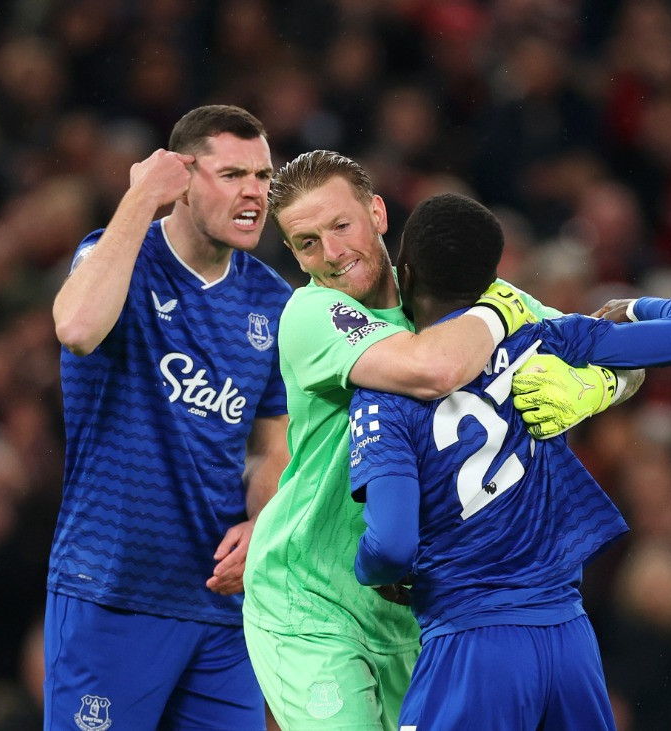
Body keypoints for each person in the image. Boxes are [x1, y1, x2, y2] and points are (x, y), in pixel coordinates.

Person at [241, 150, 635, 730]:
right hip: (311, 602)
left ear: (377, 213)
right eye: (306, 243)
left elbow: (614, 339)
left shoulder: (446, 289)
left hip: (413, 610)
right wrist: (502, 311)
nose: (330, 254)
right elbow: (433, 369)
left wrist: (601, 386)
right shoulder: (311, 313)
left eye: (340, 225)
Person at [347, 192, 671, 730]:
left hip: (471, 642)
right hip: (569, 640)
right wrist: (635, 305)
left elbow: (390, 545)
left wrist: (368, 567)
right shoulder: (543, 338)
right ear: (492, 283)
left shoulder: (385, 389)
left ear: (404, 273)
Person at [47, 105, 290, 730]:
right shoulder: (115, 257)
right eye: (233, 174)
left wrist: (262, 523)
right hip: (111, 590)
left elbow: (270, 447)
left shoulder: (273, 300)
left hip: (221, 605)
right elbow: (75, 329)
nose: (255, 193)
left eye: (263, 177)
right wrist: (138, 201)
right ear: (180, 179)